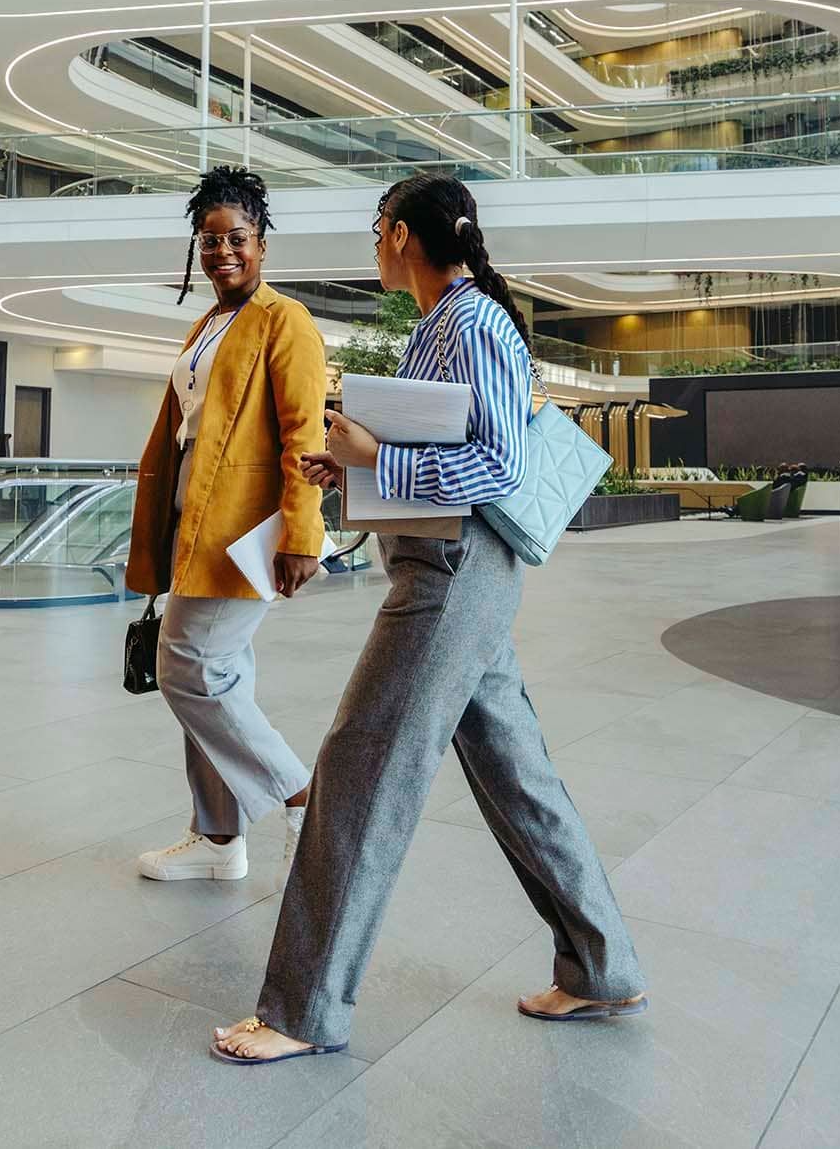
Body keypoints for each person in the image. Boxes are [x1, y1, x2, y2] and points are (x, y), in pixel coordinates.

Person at [211, 173, 647, 1065]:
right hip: (453, 573)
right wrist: (354, 467)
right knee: (518, 776)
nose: (374, 242)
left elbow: (496, 461)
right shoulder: (446, 321)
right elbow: (439, 446)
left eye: (378, 227)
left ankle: (302, 1007)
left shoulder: (473, 319)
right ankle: (603, 967)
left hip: (451, 580)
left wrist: (379, 458)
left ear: (404, 235)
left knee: (362, 770)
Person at [123, 167, 326, 883]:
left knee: (193, 670)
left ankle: (305, 796)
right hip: (192, 525)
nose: (222, 252)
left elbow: (306, 433)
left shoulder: (285, 319)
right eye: (209, 241)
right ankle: (217, 841)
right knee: (210, 673)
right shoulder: (208, 322)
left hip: (242, 532)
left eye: (236, 237)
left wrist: (302, 533)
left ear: (262, 244)